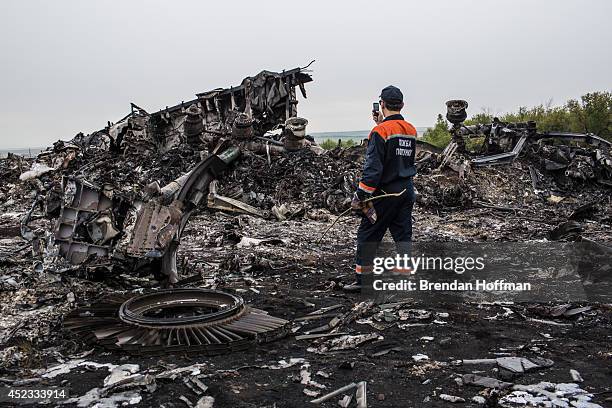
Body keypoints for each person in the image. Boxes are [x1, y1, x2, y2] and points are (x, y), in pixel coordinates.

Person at [344, 85, 417, 292]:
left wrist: (361, 195)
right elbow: (399, 156)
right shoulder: (410, 130)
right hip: (406, 191)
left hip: (385, 194)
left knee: (368, 235)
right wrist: (380, 123)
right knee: (403, 235)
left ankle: (363, 281)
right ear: (402, 105)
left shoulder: (379, 131)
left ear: (382, 104)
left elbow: (373, 169)